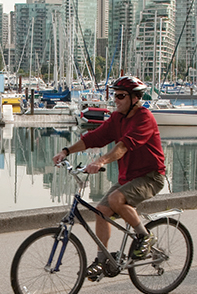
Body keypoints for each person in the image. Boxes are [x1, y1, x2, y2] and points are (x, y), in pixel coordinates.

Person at [52, 76, 166, 267]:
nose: (116, 99)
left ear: (134, 98)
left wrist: (101, 160)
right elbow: (94, 138)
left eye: (121, 96)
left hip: (151, 177)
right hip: (128, 178)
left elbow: (123, 147)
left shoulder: (144, 118)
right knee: (102, 211)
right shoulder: (117, 118)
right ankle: (102, 260)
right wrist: (66, 151)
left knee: (115, 199)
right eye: (115, 95)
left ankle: (145, 237)